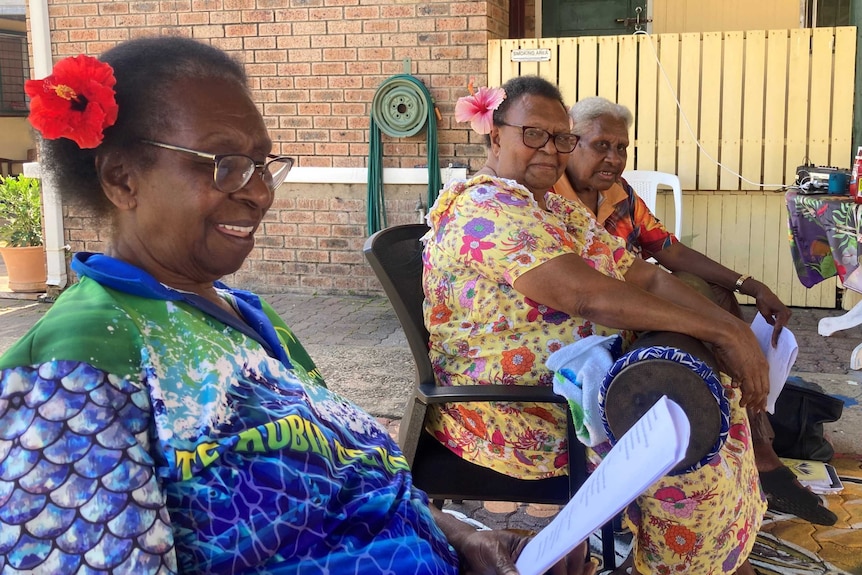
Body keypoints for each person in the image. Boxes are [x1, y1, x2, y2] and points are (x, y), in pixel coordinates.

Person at [0, 37, 598, 575]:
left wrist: (469, 537)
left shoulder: (245, 314)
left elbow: (351, 475)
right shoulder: (75, 363)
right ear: (122, 179)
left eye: (262, 164)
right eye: (223, 165)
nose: (259, 192)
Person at [425, 75, 769, 574]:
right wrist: (719, 331)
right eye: (534, 134)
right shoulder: (484, 207)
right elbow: (585, 296)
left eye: (561, 138)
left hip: (578, 387)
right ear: (495, 135)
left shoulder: (556, 208)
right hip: (514, 410)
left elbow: (644, 277)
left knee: (709, 405)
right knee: (686, 454)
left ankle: (709, 561)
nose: (551, 150)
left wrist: (729, 328)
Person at [551, 95, 836, 526]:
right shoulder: (552, 199)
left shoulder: (617, 192)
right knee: (708, 312)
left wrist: (747, 284)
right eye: (601, 146)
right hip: (594, 323)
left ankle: (755, 442)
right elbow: (587, 291)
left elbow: (666, 249)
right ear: (570, 143)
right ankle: (745, 450)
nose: (614, 158)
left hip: (633, 306)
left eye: (622, 147)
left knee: (717, 296)